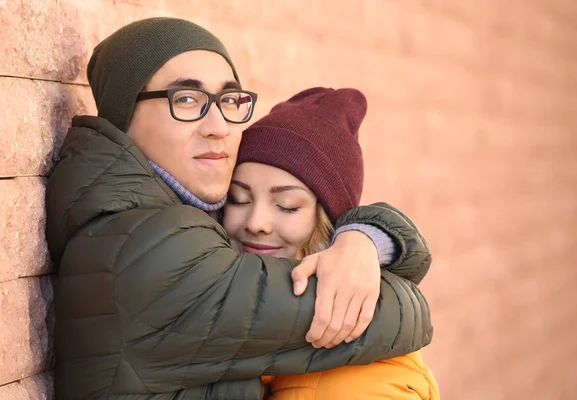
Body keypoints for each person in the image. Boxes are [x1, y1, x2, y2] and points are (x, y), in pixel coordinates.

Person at [45, 17, 433, 400]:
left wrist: (363, 238)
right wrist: (362, 264)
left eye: (228, 100)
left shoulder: (184, 210)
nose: (218, 125)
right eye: (186, 99)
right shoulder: (139, 244)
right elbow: (379, 314)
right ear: (124, 115)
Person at [222, 87, 439, 400]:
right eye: (238, 198)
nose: (256, 223)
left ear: (328, 221)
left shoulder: (361, 387)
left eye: (286, 205)